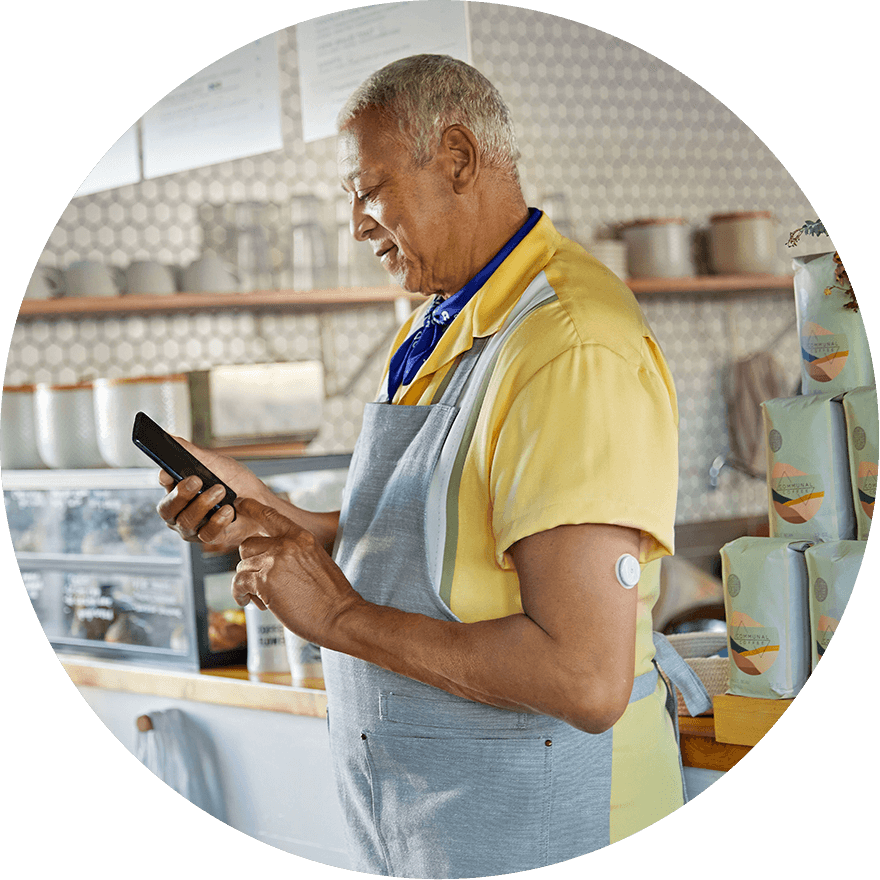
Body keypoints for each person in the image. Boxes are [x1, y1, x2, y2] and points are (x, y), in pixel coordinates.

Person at [157, 54, 709, 878]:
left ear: (456, 158)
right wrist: (279, 520)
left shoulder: (570, 346)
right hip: (443, 827)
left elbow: (584, 676)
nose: (356, 224)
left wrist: (337, 616)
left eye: (367, 189)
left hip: (555, 825)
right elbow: (446, 536)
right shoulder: (451, 321)